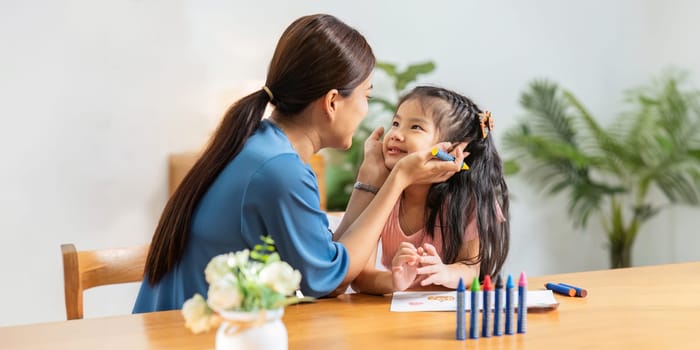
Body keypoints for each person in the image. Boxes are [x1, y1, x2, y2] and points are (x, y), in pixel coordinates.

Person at [132, 14, 466, 313]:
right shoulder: (281, 170)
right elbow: (327, 278)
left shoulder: (260, 145)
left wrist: (369, 180)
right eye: (366, 95)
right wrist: (398, 181)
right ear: (333, 101)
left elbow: (328, 266)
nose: (367, 110)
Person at [351, 86, 510, 295]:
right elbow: (360, 277)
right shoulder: (385, 194)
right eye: (396, 123)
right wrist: (395, 281)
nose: (396, 134)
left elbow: (471, 268)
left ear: (454, 151)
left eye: (415, 127)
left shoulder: (467, 201)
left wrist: (445, 272)